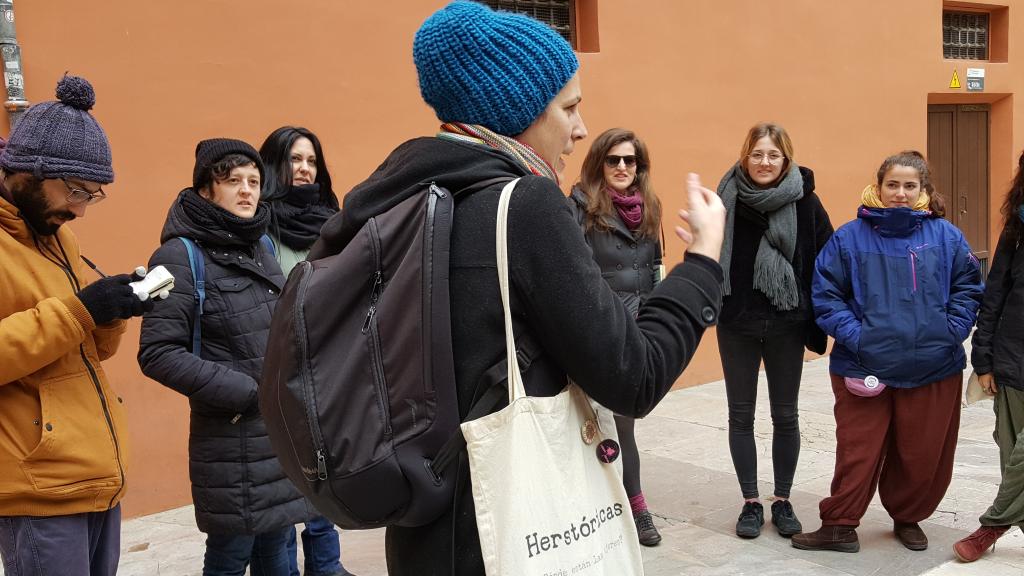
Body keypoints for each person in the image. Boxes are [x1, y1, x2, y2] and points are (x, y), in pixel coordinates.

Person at [307, 3, 727, 574]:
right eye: (569, 106)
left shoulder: (392, 196)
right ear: (518, 109)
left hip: (424, 528)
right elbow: (635, 376)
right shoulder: (524, 204)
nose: (581, 129)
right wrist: (702, 261)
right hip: (510, 528)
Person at [0, 74, 155, 575]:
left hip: (96, 473)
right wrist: (81, 310)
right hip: (37, 486)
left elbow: (86, 352)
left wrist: (112, 312)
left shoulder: (57, 235)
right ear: (26, 171)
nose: (80, 209)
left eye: (93, 195)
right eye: (74, 191)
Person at [793, 151, 983, 553]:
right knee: (857, 452)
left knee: (921, 452)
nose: (900, 193)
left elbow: (969, 287)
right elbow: (825, 295)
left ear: (923, 191)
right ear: (878, 187)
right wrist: (858, 336)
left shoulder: (947, 237)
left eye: (909, 186)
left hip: (934, 365)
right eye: (892, 185)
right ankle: (840, 525)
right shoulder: (848, 237)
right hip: (864, 365)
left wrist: (949, 331)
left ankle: (907, 516)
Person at [138, 139, 311, 575]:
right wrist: (247, 394)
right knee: (231, 558)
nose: (247, 190)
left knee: (279, 552)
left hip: (277, 434)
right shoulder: (180, 256)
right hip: (232, 440)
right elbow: (157, 352)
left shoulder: (262, 247)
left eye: (253, 181)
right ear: (204, 191)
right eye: (232, 181)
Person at [715, 123, 833, 539]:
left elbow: (826, 258)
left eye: (774, 155)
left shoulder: (805, 201)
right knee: (740, 415)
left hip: (787, 323)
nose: (765, 162)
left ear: (787, 159)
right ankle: (750, 501)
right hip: (737, 323)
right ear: (745, 155)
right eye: (758, 154)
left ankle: (782, 500)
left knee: (786, 415)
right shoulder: (724, 198)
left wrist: (816, 310)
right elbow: (707, 255)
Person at [258, 126, 352, 576]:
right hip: (275, 366)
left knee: (322, 471)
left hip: (326, 364)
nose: (305, 169)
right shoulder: (259, 227)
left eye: (312, 161)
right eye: (295, 159)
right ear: (275, 165)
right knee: (280, 483)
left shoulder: (331, 220)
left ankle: (326, 566)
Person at [568, 127, 666, 547]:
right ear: (599, 163)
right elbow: (574, 274)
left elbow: (657, 267)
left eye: (631, 161)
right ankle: (608, 508)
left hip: (639, 330)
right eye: (614, 160)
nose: (623, 167)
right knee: (594, 425)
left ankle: (635, 505)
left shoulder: (650, 208)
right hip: (602, 328)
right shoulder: (580, 206)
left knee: (625, 425)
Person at [953, 150, 1024, 562]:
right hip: (1014, 357)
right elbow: (993, 295)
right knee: (1009, 448)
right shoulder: (1017, 229)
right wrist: (983, 360)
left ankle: (992, 525)